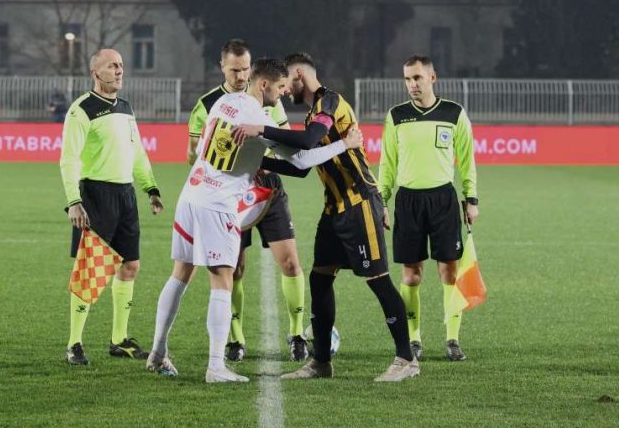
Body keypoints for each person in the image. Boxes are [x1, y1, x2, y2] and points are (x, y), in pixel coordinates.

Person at [147, 58, 363, 383]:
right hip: (218, 205)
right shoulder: (258, 118)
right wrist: (343, 144)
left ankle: (157, 352)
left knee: (180, 274)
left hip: (191, 193)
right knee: (222, 279)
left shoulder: (223, 102)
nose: (284, 92)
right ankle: (216, 366)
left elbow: (213, 147)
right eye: (280, 87)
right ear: (264, 85)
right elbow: (301, 161)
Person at [232, 52, 418, 382]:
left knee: (378, 280)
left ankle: (406, 359)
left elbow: (307, 141)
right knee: (319, 280)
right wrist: (260, 163)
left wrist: (261, 128)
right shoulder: (313, 113)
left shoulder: (329, 101)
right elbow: (303, 166)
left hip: (360, 202)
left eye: (286, 82)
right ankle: (320, 362)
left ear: (299, 75)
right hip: (335, 207)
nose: (284, 90)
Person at [187, 39, 308, 363]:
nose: (241, 76)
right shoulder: (208, 103)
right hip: (230, 193)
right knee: (235, 268)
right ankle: (235, 339)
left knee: (290, 262)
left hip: (268, 187)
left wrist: (267, 160)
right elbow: (194, 154)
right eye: (234, 70)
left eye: (245, 69)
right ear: (222, 67)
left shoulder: (270, 99)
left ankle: (297, 333)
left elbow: (287, 143)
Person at [59, 48, 164, 366]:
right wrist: (74, 201)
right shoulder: (82, 109)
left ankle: (119, 340)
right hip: (95, 196)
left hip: (125, 196)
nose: (119, 71)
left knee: (130, 266)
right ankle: (74, 344)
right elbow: (69, 158)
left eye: (121, 65)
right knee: (90, 271)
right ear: (95, 72)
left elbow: (137, 151)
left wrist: (150, 188)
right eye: (112, 66)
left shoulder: (126, 107)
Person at [377, 55, 479, 362]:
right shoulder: (396, 116)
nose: (412, 84)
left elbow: (467, 159)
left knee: (449, 271)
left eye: (417, 78)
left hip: (443, 200)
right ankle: (414, 339)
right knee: (411, 276)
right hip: (408, 201)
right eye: (407, 79)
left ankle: (452, 339)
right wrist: (381, 201)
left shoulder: (454, 113)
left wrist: (471, 198)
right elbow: (387, 163)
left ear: (432, 78)